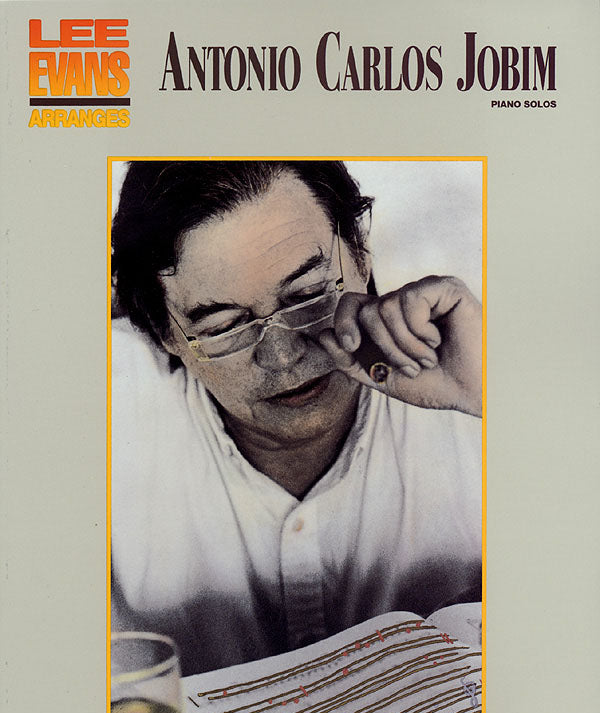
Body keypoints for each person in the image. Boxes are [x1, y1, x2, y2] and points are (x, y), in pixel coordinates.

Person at [111, 160, 482, 677]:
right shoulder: (104, 407)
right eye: (225, 326)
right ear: (162, 332)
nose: (283, 356)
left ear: (360, 251)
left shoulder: (470, 349)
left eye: (307, 295)